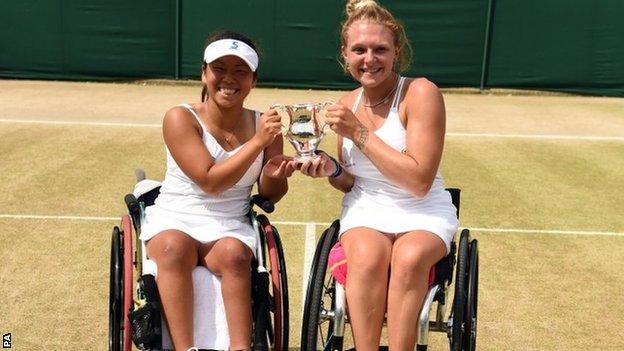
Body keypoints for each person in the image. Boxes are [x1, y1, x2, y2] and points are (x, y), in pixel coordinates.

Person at [294, 1, 459, 350]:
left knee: (409, 257)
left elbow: (418, 181)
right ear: (345, 54)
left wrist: (360, 134)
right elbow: (351, 180)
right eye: (359, 50)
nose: (369, 59)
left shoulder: (421, 92)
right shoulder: (348, 102)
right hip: (366, 209)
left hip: (423, 209)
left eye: (380, 49)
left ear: (396, 52)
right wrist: (331, 169)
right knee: (367, 258)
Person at [139, 30, 293, 351]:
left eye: (240, 71)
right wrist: (258, 143)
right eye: (219, 68)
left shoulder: (264, 125)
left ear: (253, 80)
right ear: (204, 73)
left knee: (236, 256)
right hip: (175, 217)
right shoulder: (180, 117)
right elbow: (209, 181)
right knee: (172, 249)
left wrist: (277, 173)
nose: (229, 79)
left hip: (229, 223)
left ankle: (240, 348)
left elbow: (269, 194)